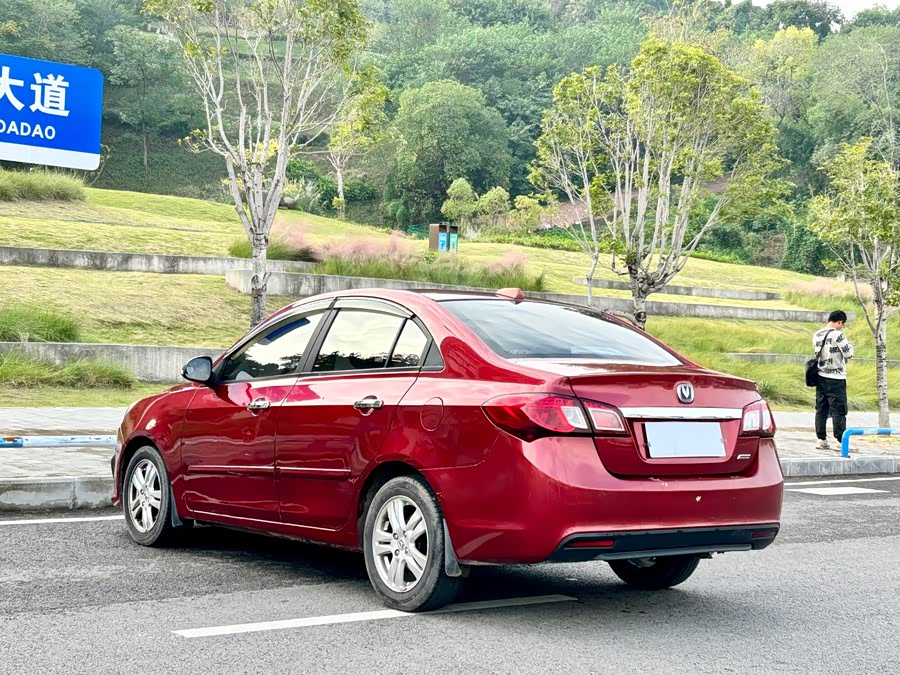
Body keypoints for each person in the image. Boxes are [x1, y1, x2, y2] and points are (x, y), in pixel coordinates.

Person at [812, 310, 854, 450]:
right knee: (839, 410)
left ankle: (821, 439)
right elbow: (849, 353)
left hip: (820, 376)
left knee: (821, 409)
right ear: (839, 322)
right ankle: (841, 441)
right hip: (836, 378)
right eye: (842, 324)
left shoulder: (817, 334)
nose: (841, 326)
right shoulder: (838, 334)